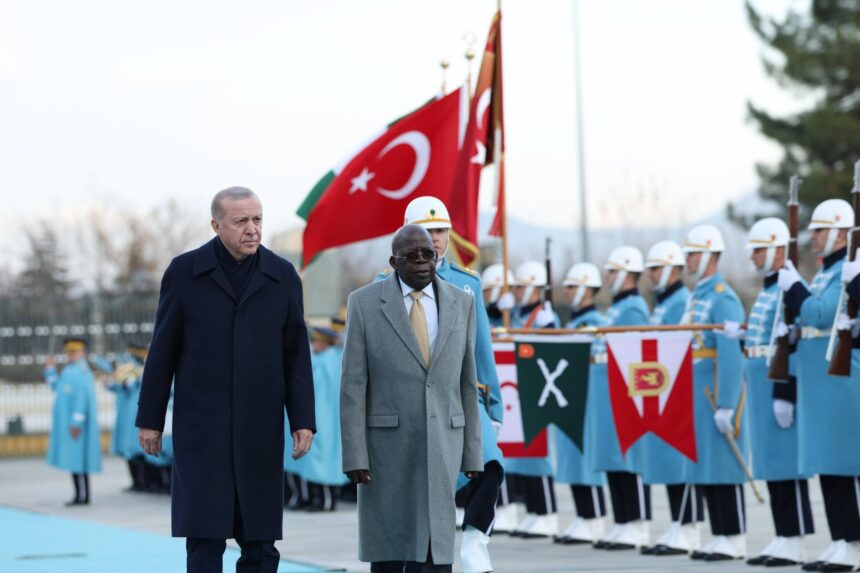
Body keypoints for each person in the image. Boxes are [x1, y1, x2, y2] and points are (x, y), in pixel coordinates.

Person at [136, 186, 315, 573]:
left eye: (257, 219)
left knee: (261, 541)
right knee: (204, 537)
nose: (252, 229)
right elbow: (162, 350)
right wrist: (150, 419)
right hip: (202, 430)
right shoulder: (184, 273)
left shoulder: (282, 275)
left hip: (259, 428)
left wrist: (302, 420)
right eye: (241, 221)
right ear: (216, 225)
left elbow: (296, 356)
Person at [341, 224, 482, 573]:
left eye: (427, 254)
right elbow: (353, 385)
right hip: (386, 448)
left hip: (444, 442)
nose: (421, 261)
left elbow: (467, 381)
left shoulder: (462, 302)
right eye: (411, 256)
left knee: (437, 548)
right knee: (390, 548)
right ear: (394, 262)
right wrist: (355, 453)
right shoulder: (364, 303)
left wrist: (472, 451)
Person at [778, 199, 860, 571]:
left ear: (841, 233)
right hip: (821, 380)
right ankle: (840, 540)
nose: (813, 237)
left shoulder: (845, 268)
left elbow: (820, 313)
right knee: (828, 464)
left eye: (820, 230)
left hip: (841, 380)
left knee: (845, 463)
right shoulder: (827, 272)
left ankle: (855, 544)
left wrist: (795, 288)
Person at [741, 218, 815, 567]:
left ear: (775, 250)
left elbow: (795, 343)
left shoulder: (789, 288)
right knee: (771, 462)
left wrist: (787, 390)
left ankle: (795, 538)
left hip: (778, 382)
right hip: (761, 381)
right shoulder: (770, 289)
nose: (753, 257)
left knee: (787, 464)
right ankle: (782, 534)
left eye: (758, 250)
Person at [681, 224, 750, 561]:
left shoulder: (722, 297)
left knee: (724, 464)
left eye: (693, 254)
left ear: (709, 254)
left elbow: (730, 354)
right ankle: (719, 533)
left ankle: (734, 536)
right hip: (697, 392)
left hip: (715, 389)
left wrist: (726, 402)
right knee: (707, 465)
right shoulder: (698, 296)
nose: (688, 260)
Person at [639, 240, 705, 556]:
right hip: (662, 389)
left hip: (676, 391)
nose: (650, 274)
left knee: (679, 459)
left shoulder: (680, 302)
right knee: (667, 459)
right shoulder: (665, 303)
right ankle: (678, 522)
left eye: (655, 268)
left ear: (671, 268)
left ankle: (689, 525)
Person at [588, 246, 652, 550]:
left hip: (625, 394)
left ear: (627, 273)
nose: (607, 276)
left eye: (612, 271)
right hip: (609, 392)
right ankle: (623, 521)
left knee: (630, 459)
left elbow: (636, 357)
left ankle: (637, 523)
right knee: (614, 458)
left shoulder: (634, 308)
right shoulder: (618, 307)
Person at [552, 262, 608, 545]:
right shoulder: (573, 323)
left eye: (572, 286)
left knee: (586, 461)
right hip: (570, 399)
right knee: (573, 460)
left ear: (587, 289)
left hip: (587, 401)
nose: (566, 291)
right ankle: (582, 515)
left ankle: (594, 517)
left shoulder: (596, 323)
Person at [507, 260, 560, 538]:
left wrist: (549, 328)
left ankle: (547, 513)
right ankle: (533, 511)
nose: (516, 292)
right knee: (524, 455)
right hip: (521, 390)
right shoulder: (518, 314)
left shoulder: (544, 315)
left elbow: (553, 350)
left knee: (538, 455)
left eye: (521, 287)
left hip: (541, 390)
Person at [44, 337, 102, 506]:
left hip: (76, 425)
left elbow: (81, 400)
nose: (71, 355)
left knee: (79, 460)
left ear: (82, 353)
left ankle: (83, 496)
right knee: (75, 460)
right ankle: (79, 495)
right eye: (69, 353)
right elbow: (56, 386)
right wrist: (49, 369)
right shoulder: (70, 370)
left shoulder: (81, 372)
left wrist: (76, 423)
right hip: (70, 424)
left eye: (75, 352)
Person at [105, 343, 148, 491]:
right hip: (126, 416)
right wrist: (114, 374)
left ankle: (145, 482)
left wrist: (128, 375)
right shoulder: (130, 371)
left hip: (136, 414)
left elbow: (131, 385)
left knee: (140, 452)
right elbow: (119, 386)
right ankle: (137, 482)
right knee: (130, 451)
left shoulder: (140, 371)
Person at [481, 263, 516, 329]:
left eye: (487, 289)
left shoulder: (516, 312)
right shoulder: (487, 311)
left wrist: (506, 312)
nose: (484, 293)